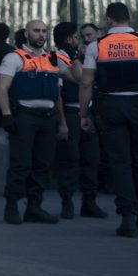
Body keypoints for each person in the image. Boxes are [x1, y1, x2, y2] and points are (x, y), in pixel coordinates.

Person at [78, 3, 138, 239]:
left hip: (111, 106)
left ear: (109, 20)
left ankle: (128, 218)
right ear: (127, 18)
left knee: (120, 162)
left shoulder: (97, 45)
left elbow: (86, 83)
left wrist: (84, 115)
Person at [0, 18, 67, 226]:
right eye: (36, 31)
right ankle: (12, 206)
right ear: (27, 34)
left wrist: (62, 122)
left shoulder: (52, 59)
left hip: (47, 118)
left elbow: (62, 92)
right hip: (25, 117)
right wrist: (7, 114)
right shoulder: (14, 58)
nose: (41, 35)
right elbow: (1, 88)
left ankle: (34, 207)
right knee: (21, 164)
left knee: (42, 165)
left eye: (44, 31)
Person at [54, 22, 108, 220]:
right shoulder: (58, 56)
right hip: (70, 112)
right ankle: (67, 202)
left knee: (91, 159)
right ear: (69, 39)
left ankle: (89, 202)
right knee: (70, 160)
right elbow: (78, 78)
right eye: (77, 37)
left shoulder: (78, 56)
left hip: (87, 112)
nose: (80, 41)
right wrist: (78, 57)